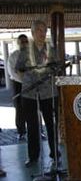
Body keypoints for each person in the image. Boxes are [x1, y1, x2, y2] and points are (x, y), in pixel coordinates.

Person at [15, 20, 61, 168]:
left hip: (49, 93)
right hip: (30, 94)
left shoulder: (52, 50)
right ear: (33, 32)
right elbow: (19, 69)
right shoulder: (25, 50)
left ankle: (55, 154)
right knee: (32, 126)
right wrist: (27, 83)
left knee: (51, 125)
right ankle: (33, 156)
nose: (42, 33)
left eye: (44, 30)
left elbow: (58, 68)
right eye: (39, 30)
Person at [7, 34, 28, 141]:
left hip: (31, 84)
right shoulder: (13, 56)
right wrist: (23, 80)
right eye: (22, 42)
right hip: (17, 84)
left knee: (34, 108)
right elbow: (12, 71)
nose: (24, 44)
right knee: (19, 108)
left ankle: (39, 130)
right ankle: (21, 131)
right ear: (18, 43)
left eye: (26, 41)